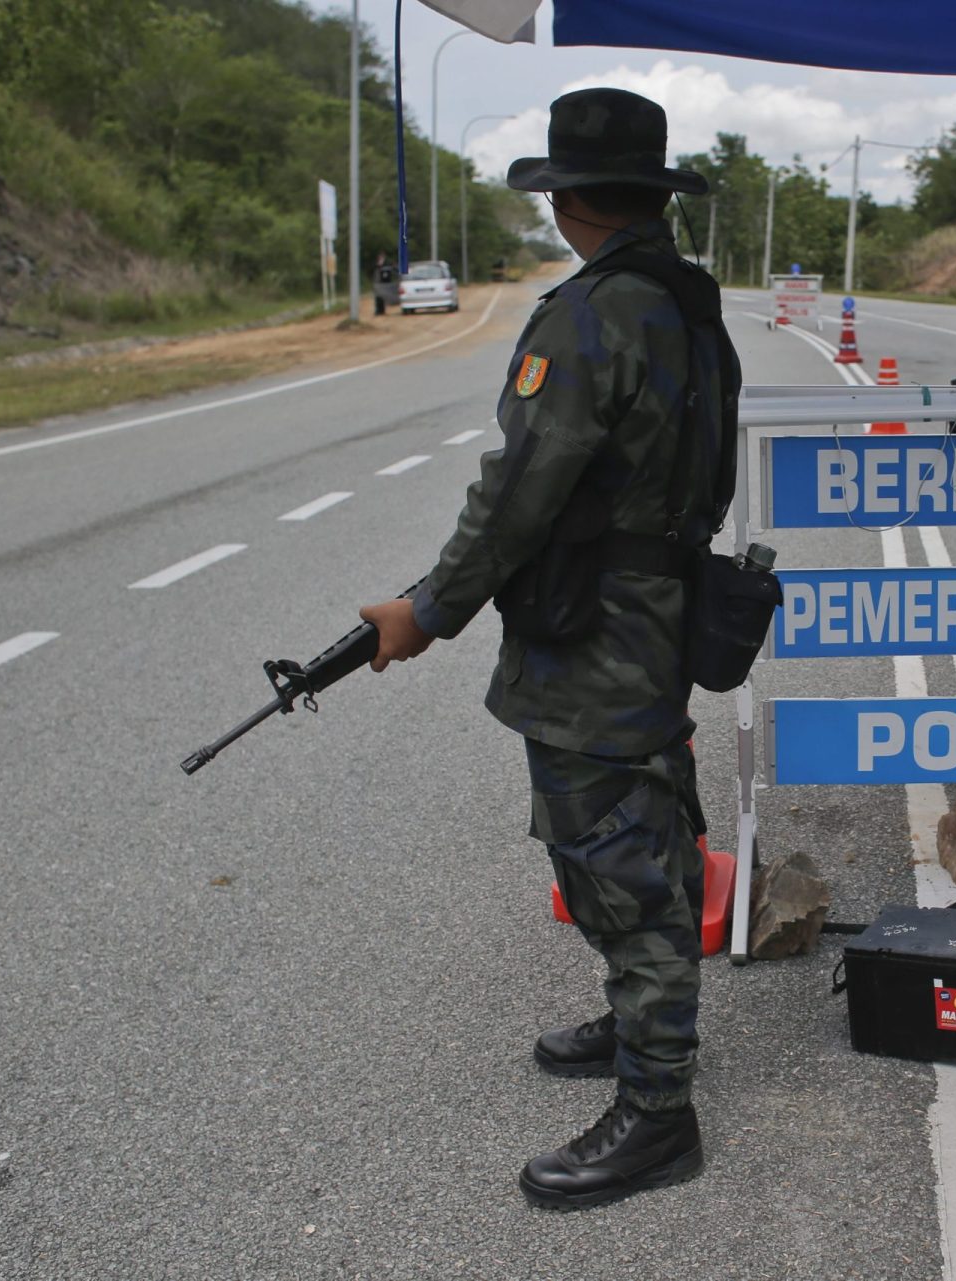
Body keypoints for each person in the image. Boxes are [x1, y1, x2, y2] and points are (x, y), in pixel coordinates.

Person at [355, 88, 734, 1211]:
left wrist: (427, 609)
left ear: (567, 201)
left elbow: (517, 493)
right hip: (657, 607)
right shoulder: (687, 299)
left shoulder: (591, 317)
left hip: (598, 626)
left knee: (616, 853)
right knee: (642, 816)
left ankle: (658, 1110)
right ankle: (638, 1025)